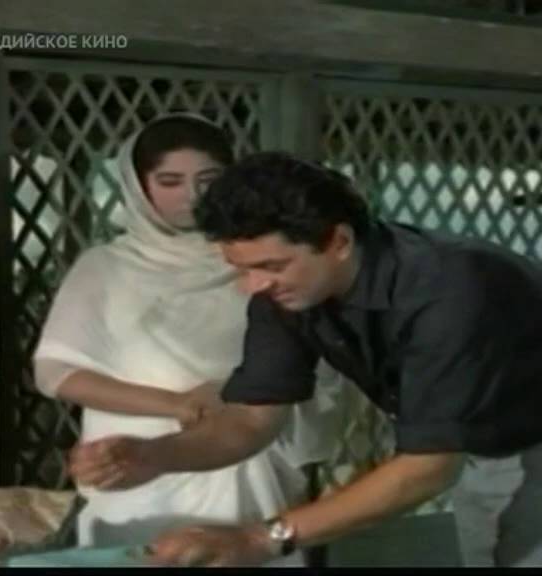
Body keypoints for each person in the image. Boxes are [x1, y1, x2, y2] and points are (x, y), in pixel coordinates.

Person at [68, 151, 542, 567]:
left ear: (339, 242)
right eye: (239, 268)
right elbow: (251, 420)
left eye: (270, 266)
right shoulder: (284, 292)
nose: (252, 285)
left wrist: (259, 539)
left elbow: (426, 469)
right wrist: (153, 455)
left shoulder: (449, 288)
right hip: (478, 436)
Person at [34, 122, 344, 566]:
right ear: (139, 187)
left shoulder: (261, 261)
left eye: (208, 180)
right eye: (170, 181)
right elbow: (56, 371)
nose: (192, 196)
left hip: (246, 447)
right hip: (132, 455)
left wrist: (237, 396)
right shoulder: (105, 268)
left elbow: (312, 358)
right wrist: (176, 405)